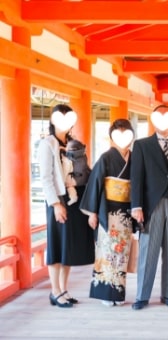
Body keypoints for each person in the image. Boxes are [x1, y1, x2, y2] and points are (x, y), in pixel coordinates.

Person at [129, 105, 168, 310]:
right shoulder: (142, 145)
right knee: (148, 251)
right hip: (150, 205)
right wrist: (136, 206)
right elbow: (136, 178)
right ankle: (142, 296)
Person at [38, 104, 95, 308]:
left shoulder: (72, 143)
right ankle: (54, 291)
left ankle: (63, 289)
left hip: (75, 199)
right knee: (57, 246)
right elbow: (46, 178)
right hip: (59, 200)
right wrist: (55, 204)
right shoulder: (47, 144)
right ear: (53, 120)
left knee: (67, 248)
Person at [80, 119, 136, 307]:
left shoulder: (135, 158)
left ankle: (117, 294)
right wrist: (92, 213)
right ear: (112, 137)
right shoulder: (105, 157)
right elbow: (95, 183)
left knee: (120, 254)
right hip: (108, 211)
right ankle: (105, 293)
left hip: (125, 213)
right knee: (106, 252)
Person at [61, 139, 91, 206]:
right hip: (82, 179)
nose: (66, 150)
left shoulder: (71, 157)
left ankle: (73, 197)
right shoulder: (83, 156)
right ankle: (73, 197)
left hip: (75, 179)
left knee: (69, 187)